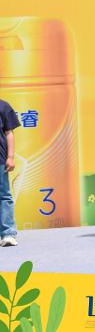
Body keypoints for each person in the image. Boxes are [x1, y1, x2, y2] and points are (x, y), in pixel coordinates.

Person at [0, 99, 20, 247]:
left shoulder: (3, 106)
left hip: (0, 159)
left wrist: (11, 157)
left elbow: (9, 132)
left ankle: (8, 233)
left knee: (4, 195)